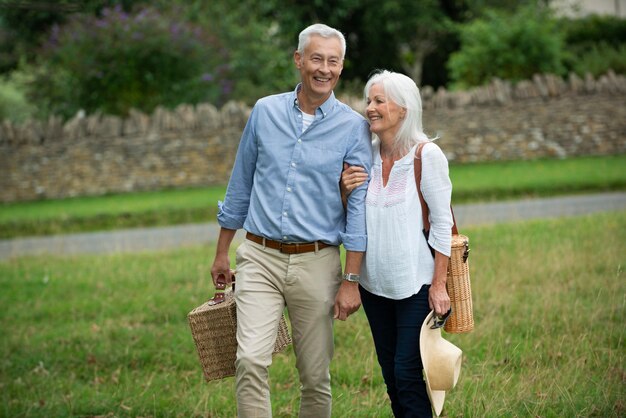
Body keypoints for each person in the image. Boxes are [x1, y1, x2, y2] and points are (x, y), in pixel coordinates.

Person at [210, 23, 372, 418]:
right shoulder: (265, 112)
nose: (324, 69)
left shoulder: (353, 127)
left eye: (333, 61)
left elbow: (358, 209)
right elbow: (240, 184)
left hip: (316, 261)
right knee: (249, 359)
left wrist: (351, 281)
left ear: (341, 67)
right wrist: (221, 253)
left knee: (315, 376)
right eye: (316, 58)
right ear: (299, 60)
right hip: (259, 257)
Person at [341, 70, 453, 417]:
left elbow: (442, 222)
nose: (369, 108)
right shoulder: (364, 155)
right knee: (391, 375)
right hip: (375, 288)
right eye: (369, 100)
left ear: (403, 109)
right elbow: (355, 218)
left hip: (416, 286)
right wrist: (344, 193)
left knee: (406, 373)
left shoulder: (426, 155)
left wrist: (438, 285)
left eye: (379, 101)